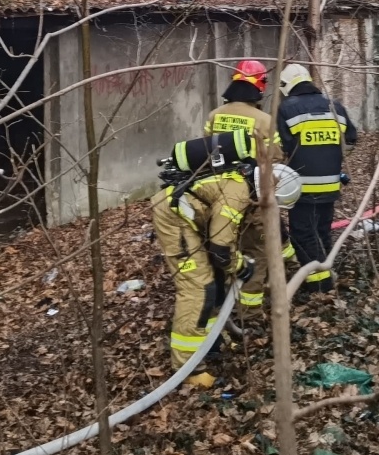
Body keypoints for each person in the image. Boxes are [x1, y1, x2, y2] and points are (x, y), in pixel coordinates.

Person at [150, 128, 257, 372]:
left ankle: (211, 342)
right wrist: (241, 267)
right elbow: (221, 250)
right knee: (199, 287)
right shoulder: (238, 192)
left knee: (215, 281)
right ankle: (187, 367)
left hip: (188, 216)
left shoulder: (235, 180)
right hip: (173, 218)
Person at [202, 59, 295, 313]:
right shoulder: (265, 121)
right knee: (256, 248)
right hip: (253, 196)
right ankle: (249, 309)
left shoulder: (214, 116)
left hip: (216, 192)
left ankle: (223, 299)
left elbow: (206, 151)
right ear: (260, 87)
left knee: (224, 244)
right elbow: (276, 158)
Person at [277, 62, 358, 294]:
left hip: (301, 188)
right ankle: (327, 268)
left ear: (286, 85)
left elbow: (282, 146)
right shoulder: (336, 107)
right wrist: (334, 158)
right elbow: (351, 139)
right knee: (322, 229)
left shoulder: (287, 109)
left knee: (302, 233)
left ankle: (320, 284)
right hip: (332, 184)